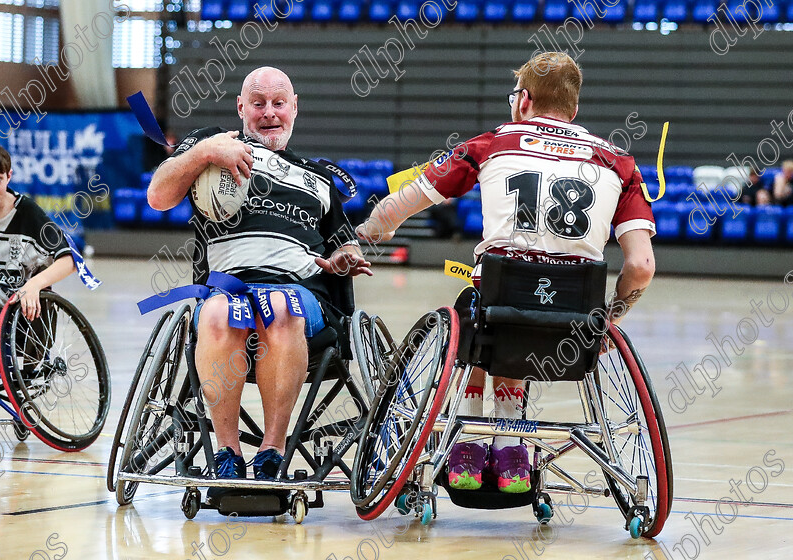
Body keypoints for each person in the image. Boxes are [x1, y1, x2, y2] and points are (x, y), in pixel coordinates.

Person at [356, 52, 655, 494]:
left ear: (524, 101)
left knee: (475, 311)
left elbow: (399, 207)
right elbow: (640, 267)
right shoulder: (618, 163)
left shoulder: (492, 143)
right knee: (515, 311)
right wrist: (612, 320)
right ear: (574, 110)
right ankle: (513, 451)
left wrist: (362, 233)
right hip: (574, 325)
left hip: (497, 310)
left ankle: (471, 448)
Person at [147, 67, 371, 484]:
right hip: (229, 285)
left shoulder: (320, 178)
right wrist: (205, 154)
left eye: (278, 103)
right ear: (241, 108)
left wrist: (345, 258)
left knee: (280, 307)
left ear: (294, 108)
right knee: (217, 315)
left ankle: (272, 449)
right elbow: (157, 195)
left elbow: (345, 242)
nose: (269, 113)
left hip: (300, 291)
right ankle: (227, 451)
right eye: (258, 103)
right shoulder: (214, 144)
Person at [0, 141, 75, 382]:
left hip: (14, 308)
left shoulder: (28, 213)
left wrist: (34, 285)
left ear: (9, 177)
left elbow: (69, 260)